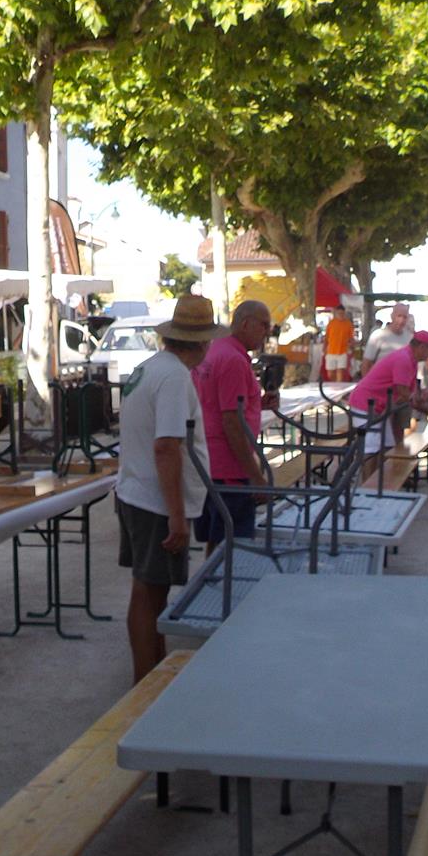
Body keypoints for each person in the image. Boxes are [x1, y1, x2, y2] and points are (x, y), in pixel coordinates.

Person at [116, 293, 228, 683]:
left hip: (136, 493)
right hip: (155, 503)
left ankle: (147, 676)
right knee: (151, 595)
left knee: (146, 592)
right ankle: (145, 685)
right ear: (201, 342)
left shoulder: (149, 368)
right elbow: (166, 446)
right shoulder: (175, 377)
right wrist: (177, 516)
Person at [192, 300, 273, 555]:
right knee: (233, 545)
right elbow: (232, 423)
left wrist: (257, 403)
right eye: (264, 325)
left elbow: (217, 403)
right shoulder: (233, 360)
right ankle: (223, 593)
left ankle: (212, 588)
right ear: (247, 323)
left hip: (210, 461)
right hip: (229, 466)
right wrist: (255, 476)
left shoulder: (216, 351)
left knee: (218, 540)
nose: (267, 332)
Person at [349, 331, 428, 475]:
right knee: (371, 449)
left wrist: (426, 405)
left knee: (387, 446)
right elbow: (404, 393)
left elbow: (411, 394)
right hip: (365, 404)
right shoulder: (403, 359)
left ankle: (380, 484)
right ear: (422, 347)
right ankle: (368, 489)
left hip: (378, 406)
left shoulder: (409, 359)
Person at [360, 303, 415, 377]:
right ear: (392, 316)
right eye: (399, 316)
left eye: (404, 317)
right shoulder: (378, 335)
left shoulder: (410, 337)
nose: (401, 320)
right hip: (381, 382)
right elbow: (366, 363)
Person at [323, 307, 354, 382]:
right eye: (339, 313)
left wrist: (351, 346)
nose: (341, 315)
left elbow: (351, 338)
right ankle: (334, 385)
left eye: (342, 313)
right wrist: (324, 348)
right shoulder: (331, 323)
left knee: (340, 371)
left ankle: (338, 388)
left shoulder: (348, 324)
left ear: (344, 313)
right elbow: (326, 337)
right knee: (330, 373)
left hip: (343, 351)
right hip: (331, 351)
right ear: (336, 313)